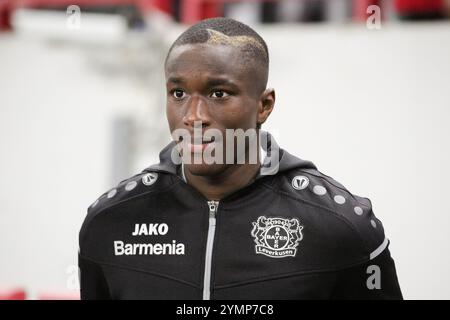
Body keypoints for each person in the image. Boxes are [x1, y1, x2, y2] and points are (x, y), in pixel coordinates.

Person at [78, 17, 402, 300]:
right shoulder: (109, 223)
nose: (194, 116)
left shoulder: (342, 227)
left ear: (264, 105)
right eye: (178, 93)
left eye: (218, 93)